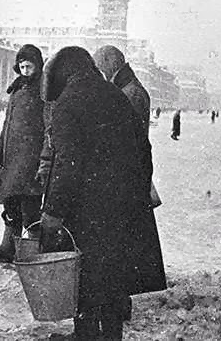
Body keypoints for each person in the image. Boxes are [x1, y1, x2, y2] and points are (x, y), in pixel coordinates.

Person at [39, 46, 156, 340]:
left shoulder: (68, 103)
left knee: (86, 280)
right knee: (113, 280)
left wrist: (53, 212)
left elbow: (67, 163)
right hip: (121, 206)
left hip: (87, 210)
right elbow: (144, 150)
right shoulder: (115, 95)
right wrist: (134, 194)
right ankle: (111, 335)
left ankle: (86, 335)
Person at [93, 45, 167, 321]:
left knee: (124, 245)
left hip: (127, 176)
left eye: (101, 67)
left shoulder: (130, 93)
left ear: (111, 65)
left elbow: (129, 139)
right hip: (130, 174)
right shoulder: (129, 87)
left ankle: (119, 305)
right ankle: (119, 302)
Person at [0, 44, 46, 263]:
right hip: (12, 157)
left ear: (38, 66)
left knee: (30, 205)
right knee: (10, 201)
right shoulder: (17, 88)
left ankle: (34, 251)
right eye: (21, 66)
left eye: (29, 66)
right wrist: (0, 146)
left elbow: (47, 125)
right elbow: (7, 122)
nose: (25, 71)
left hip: (30, 158)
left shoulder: (43, 90)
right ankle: (8, 245)